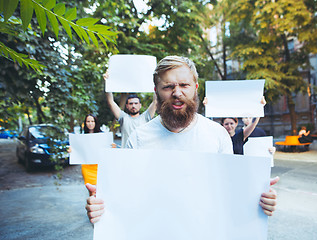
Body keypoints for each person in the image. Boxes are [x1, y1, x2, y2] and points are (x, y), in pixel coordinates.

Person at [85, 56, 279, 223]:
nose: (177, 93)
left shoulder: (217, 135)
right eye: (168, 86)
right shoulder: (138, 139)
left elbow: (229, 194)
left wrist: (258, 201)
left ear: (195, 88)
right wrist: (101, 210)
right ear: (156, 91)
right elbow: (123, 201)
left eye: (184, 85)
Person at [104, 73, 157, 147]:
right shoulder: (123, 118)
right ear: (127, 106)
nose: (133, 106)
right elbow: (111, 102)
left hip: (142, 154)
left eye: (136, 103)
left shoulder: (145, 117)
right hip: (126, 155)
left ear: (140, 105)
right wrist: (107, 82)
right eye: (131, 104)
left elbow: (155, 101)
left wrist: (157, 81)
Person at [68, 114, 115, 185]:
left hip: (100, 167)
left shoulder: (103, 136)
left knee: (100, 189)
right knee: (90, 189)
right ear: (85, 123)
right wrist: (72, 150)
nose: (90, 123)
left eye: (92, 121)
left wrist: (112, 147)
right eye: (88, 121)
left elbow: (109, 151)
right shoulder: (81, 137)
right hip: (87, 167)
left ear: (96, 122)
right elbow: (78, 151)